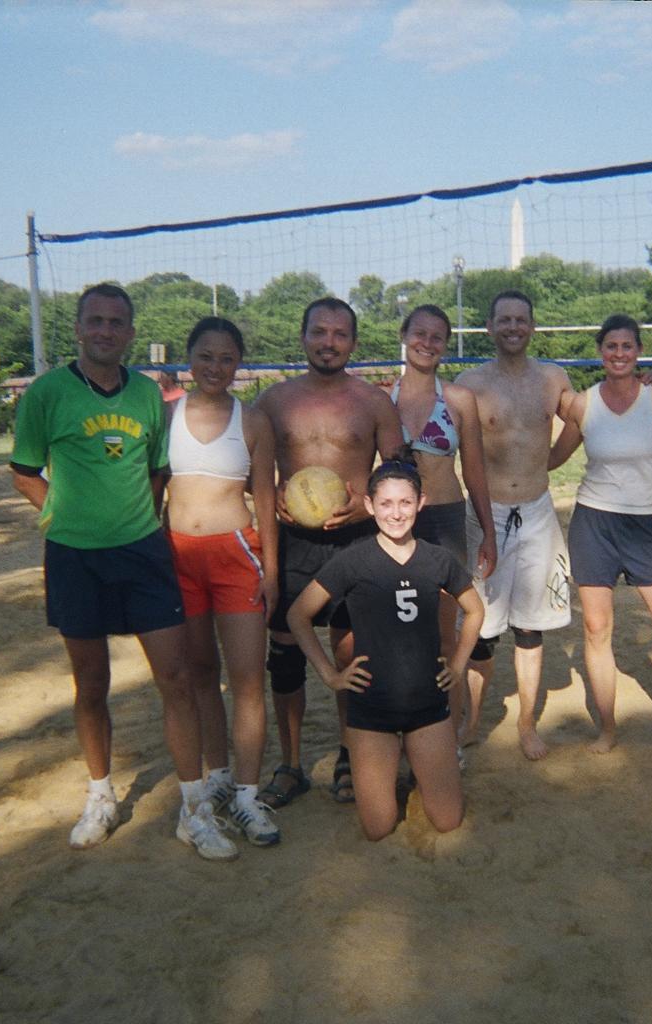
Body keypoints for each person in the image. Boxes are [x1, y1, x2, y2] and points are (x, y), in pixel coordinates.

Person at [9, 282, 236, 860]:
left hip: (142, 553)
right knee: (91, 685)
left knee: (177, 679)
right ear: (80, 328)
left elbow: (158, 470)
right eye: (96, 321)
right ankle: (101, 795)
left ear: (131, 333)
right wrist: (62, 513)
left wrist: (141, 516)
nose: (106, 331)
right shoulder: (47, 394)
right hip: (73, 556)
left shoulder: (145, 396)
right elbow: (25, 471)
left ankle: (192, 809)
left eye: (116, 322)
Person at [255, 297, 403, 807]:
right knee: (285, 651)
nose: (329, 342)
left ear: (354, 344)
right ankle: (292, 763)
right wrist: (272, 494)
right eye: (319, 332)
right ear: (303, 337)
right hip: (293, 540)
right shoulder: (273, 402)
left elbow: (397, 473)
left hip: (355, 540)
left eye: (340, 334)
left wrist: (366, 507)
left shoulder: (375, 401)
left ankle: (347, 752)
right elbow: (252, 470)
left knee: (350, 650)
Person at [286, 461, 483, 841]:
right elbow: (299, 615)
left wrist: (458, 664)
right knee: (377, 827)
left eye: (405, 502)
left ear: (421, 503)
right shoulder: (352, 560)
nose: (396, 512)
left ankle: (419, 758)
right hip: (371, 710)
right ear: (370, 505)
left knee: (448, 821)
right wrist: (330, 674)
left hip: (427, 707)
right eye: (387, 503)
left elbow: (475, 610)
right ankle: (392, 760)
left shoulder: (437, 559)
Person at [549, 315, 652, 758]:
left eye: (626, 346)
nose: (618, 354)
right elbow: (551, 460)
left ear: (638, 351)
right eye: (610, 347)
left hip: (646, 526)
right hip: (594, 524)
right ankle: (607, 730)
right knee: (597, 629)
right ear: (600, 352)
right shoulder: (584, 405)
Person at [163, 316, 281, 847]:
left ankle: (248, 796)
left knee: (249, 678)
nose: (216, 366)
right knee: (198, 673)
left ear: (239, 363)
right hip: (178, 556)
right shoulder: (165, 416)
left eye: (227, 358)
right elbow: (149, 489)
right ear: (189, 360)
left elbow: (267, 502)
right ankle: (216, 777)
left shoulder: (252, 421)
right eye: (206, 356)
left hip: (236, 556)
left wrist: (272, 568)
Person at [453, 291, 573, 759]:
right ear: (489, 327)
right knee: (482, 627)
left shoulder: (552, 378)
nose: (513, 327)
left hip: (538, 510)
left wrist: (550, 461)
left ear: (533, 325)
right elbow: (460, 452)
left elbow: (583, 417)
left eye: (521, 320)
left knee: (531, 626)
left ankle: (526, 723)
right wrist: (485, 525)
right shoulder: (470, 384)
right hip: (487, 513)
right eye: (503, 320)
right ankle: (472, 722)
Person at [388, 304, 497, 740]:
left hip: (446, 522)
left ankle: (447, 739)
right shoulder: (382, 399)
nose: (427, 343)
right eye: (420, 333)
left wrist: (487, 532)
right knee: (399, 637)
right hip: (397, 525)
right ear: (404, 335)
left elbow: (474, 471)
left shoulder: (458, 400)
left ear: (445, 346)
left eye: (437, 337)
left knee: (444, 641)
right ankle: (406, 729)